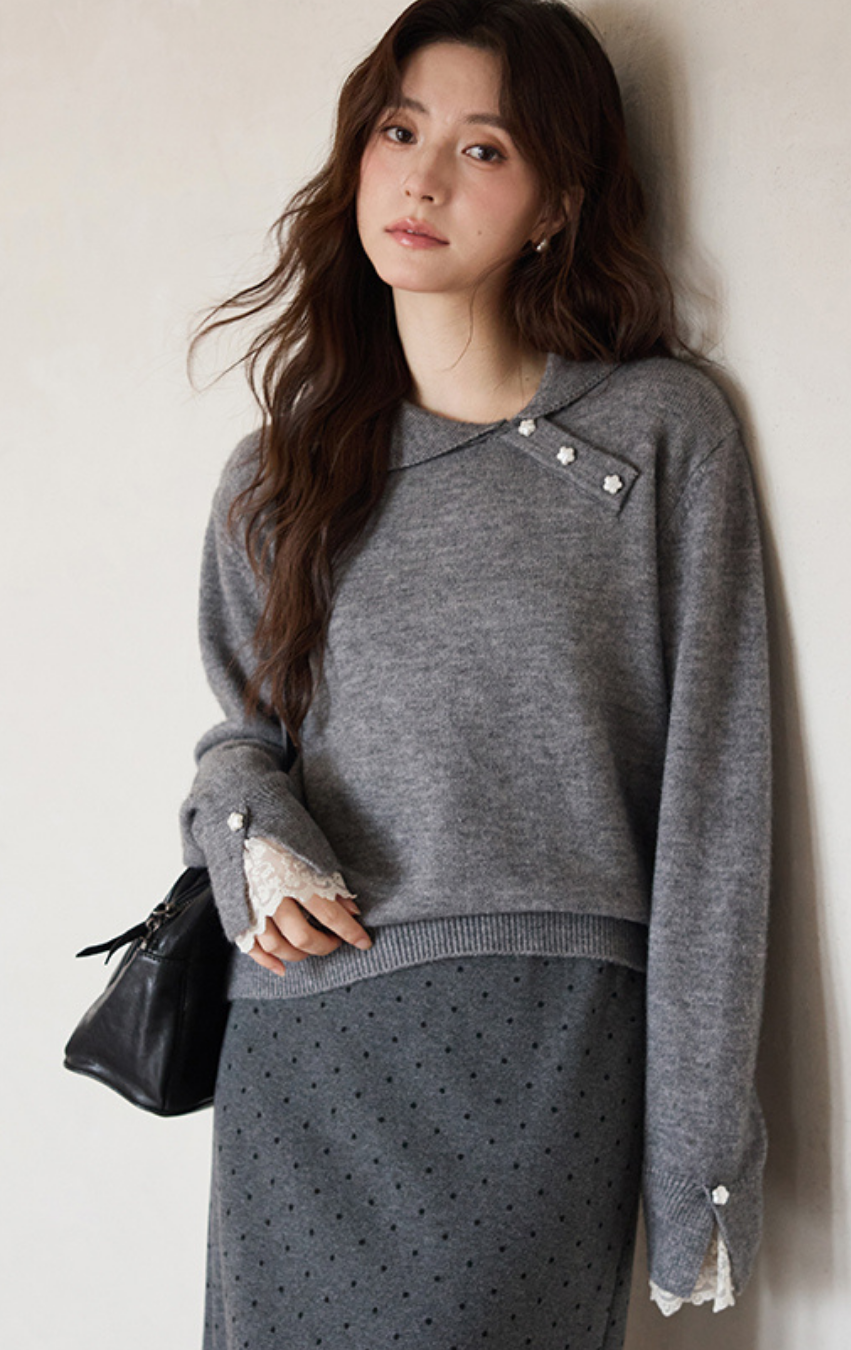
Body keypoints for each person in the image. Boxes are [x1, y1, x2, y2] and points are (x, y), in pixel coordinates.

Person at [180, 1, 771, 1345]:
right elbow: (241, 741)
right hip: (305, 1050)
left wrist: (700, 1160)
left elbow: (715, 817)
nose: (424, 179)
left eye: (484, 148)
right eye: (400, 132)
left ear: (559, 202)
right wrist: (245, 828)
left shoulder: (658, 435)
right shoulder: (277, 477)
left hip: (545, 1044)